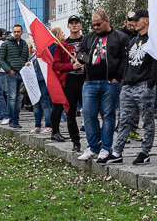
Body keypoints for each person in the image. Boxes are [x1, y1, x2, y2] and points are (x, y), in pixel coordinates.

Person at [99, 8, 157, 165]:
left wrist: (150, 84)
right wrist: (125, 81)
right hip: (128, 86)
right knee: (124, 119)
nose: (133, 23)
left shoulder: (153, 41)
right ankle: (117, 152)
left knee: (147, 120)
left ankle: (145, 152)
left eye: (137, 19)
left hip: (143, 85)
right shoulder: (133, 40)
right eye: (132, 20)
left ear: (146, 20)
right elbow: (127, 62)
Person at [77, 10, 130, 161]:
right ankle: (92, 147)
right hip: (90, 82)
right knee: (88, 114)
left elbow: (124, 59)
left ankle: (105, 148)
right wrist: (81, 59)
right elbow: (81, 55)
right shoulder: (88, 37)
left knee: (108, 115)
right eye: (93, 25)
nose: (96, 27)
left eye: (98, 24)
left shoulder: (120, 37)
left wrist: (116, 78)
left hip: (109, 82)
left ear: (107, 21)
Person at [53, 15, 85, 151]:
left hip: (85, 81)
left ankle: (96, 141)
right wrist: (71, 67)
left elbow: (92, 55)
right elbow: (56, 65)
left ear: (80, 25)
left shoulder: (86, 41)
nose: (74, 25)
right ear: (68, 26)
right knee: (70, 114)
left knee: (90, 113)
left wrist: (83, 62)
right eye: (71, 23)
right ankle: (75, 142)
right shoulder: (62, 45)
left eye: (76, 23)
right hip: (69, 82)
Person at [0, 24, 29, 129]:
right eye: (14, 31)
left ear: (22, 32)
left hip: (22, 75)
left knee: (19, 99)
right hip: (12, 74)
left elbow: (25, 58)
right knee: (12, 98)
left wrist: (26, 66)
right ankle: (12, 120)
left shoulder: (25, 44)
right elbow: (0, 59)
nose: (16, 33)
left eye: (18, 31)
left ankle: (16, 120)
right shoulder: (6, 44)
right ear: (12, 32)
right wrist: (8, 70)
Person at [25, 39, 53, 135]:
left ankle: (48, 125)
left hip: (42, 81)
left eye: (34, 47)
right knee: (36, 103)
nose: (33, 49)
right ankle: (38, 125)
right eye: (32, 47)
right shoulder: (31, 57)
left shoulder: (43, 55)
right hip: (34, 82)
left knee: (45, 103)